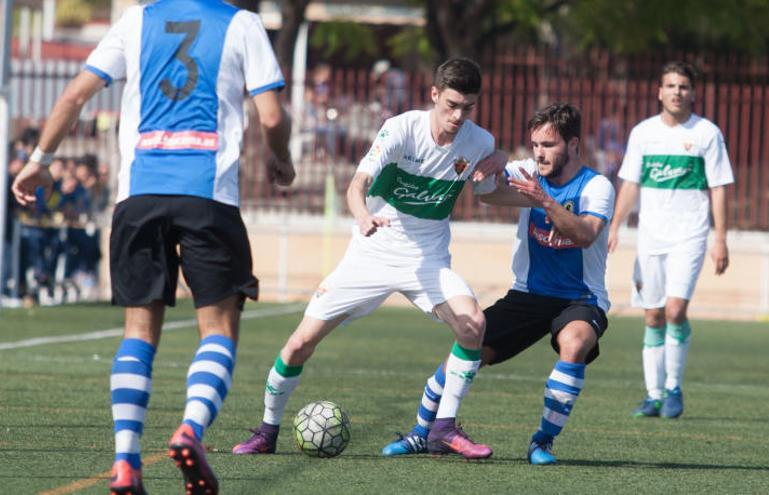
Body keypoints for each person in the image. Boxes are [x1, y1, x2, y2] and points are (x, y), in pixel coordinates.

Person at [11, 1, 295, 493]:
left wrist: (40, 160)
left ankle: (125, 461)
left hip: (138, 197)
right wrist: (280, 157)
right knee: (219, 327)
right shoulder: (242, 24)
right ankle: (191, 429)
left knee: (138, 332)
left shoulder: (137, 20)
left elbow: (75, 95)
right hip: (208, 199)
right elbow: (270, 115)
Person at [232, 57, 498, 460]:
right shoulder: (400, 129)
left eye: (468, 107)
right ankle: (267, 431)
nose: (459, 115)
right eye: (451, 104)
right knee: (299, 345)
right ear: (434, 95)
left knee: (473, 325)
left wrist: (504, 164)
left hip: (427, 259)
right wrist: (362, 216)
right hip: (371, 251)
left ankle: (442, 428)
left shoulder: (480, 142)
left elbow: (490, 191)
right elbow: (357, 185)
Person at [381, 103, 616, 465]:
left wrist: (543, 200)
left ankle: (542, 442)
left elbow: (585, 234)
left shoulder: (596, 186)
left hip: (580, 298)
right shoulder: (525, 170)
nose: (540, 153)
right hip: (527, 295)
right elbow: (486, 188)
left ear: (573, 146)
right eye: (535, 144)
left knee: (575, 342)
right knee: (468, 351)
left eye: (549, 145)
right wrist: (493, 164)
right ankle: (420, 434)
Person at [607, 61, 734, 419]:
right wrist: (616, 225)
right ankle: (653, 395)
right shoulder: (643, 133)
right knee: (652, 315)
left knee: (675, 310)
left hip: (690, 236)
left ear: (692, 92)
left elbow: (719, 187)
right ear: (659, 92)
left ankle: (674, 387)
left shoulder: (707, 133)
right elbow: (630, 183)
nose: (677, 92)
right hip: (651, 237)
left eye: (683, 86)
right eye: (671, 86)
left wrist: (720, 238)